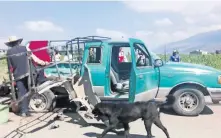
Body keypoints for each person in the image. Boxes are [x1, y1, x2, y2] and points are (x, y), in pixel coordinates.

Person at [5, 36, 49, 117]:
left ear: (10, 44)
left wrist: (12, 79)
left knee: (22, 93)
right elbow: (35, 59)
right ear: (18, 42)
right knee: (29, 91)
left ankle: (24, 111)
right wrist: (44, 63)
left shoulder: (8, 53)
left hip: (17, 75)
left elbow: (10, 67)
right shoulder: (24, 48)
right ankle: (26, 110)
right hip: (28, 73)